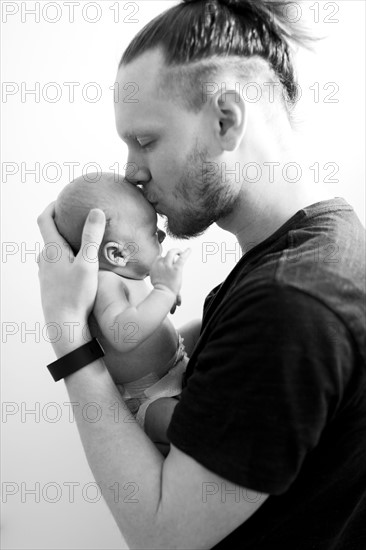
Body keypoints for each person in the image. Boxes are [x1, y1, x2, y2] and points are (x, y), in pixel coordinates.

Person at [37, 1, 366, 548]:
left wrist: (68, 333)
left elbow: (162, 535)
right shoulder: (318, 242)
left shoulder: (289, 302)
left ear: (226, 119)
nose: (131, 173)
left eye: (145, 141)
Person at [54, 173, 192, 448]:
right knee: (178, 422)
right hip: (150, 399)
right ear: (117, 255)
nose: (162, 235)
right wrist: (163, 292)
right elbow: (122, 333)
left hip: (176, 363)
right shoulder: (106, 284)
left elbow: (144, 317)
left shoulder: (130, 277)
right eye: (153, 233)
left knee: (205, 323)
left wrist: (162, 298)